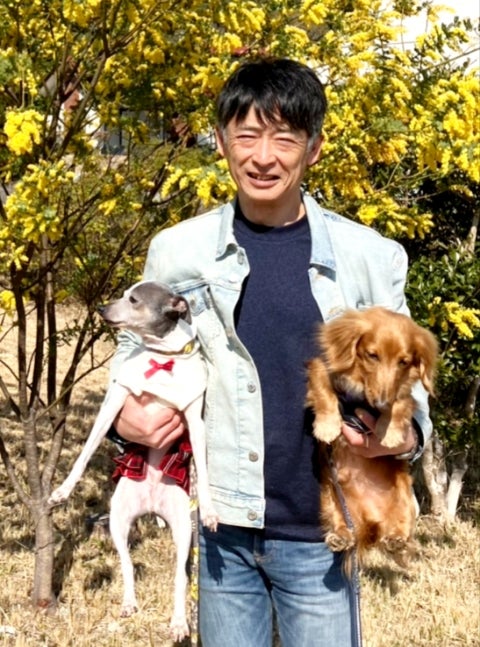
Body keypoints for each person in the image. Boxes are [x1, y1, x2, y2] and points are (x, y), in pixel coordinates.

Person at [109, 58, 431, 647]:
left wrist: (403, 438)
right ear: (220, 141)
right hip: (224, 527)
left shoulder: (369, 256)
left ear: (313, 149)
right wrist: (125, 423)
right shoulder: (178, 251)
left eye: (284, 138)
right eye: (247, 135)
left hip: (321, 530)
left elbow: (411, 386)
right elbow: (132, 357)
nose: (263, 157)